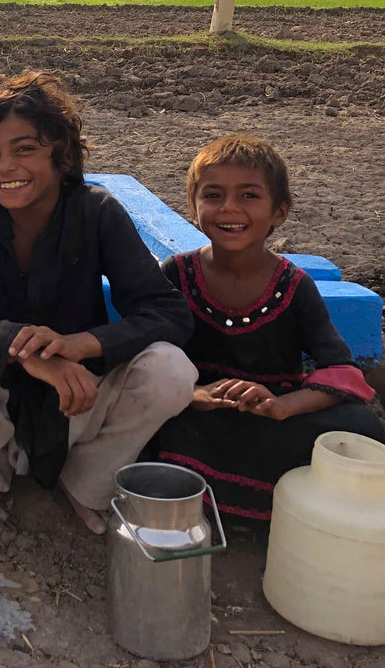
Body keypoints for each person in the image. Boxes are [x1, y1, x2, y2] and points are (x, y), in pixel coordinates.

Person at [0, 71, 196, 532]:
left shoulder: (97, 213)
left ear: (59, 152)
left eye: (25, 149)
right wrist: (21, 346)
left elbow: (169, 313)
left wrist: (81, 346)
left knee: (172, 369)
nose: (6, 168)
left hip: (78, 399)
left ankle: (86, 481)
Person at [149, 135, 384, 521]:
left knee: (360, 425)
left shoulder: (294, 286)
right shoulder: (176, 274)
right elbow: (146, 352)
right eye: (213, 195)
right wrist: (191, 394)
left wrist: (281, 406)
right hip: (197, 410)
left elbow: (341, 373)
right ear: (193, 208)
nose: (229, 208)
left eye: (249, 196)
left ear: (280, 212)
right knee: (161, 424)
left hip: (272, 416)